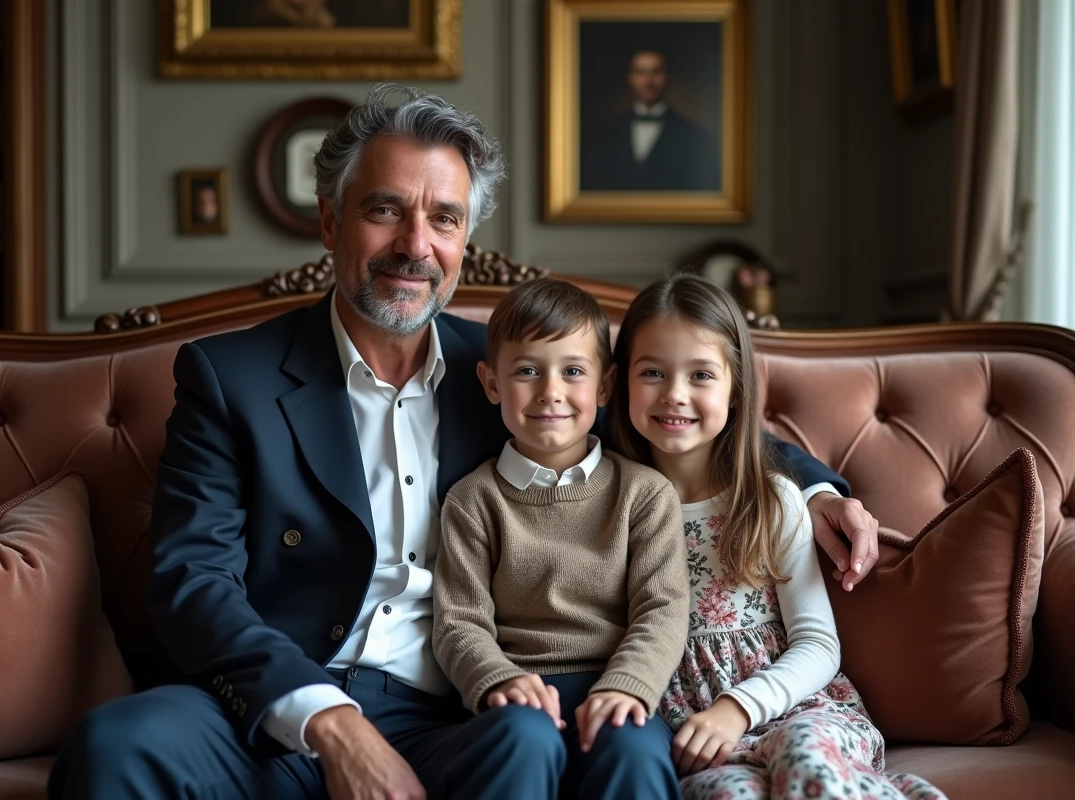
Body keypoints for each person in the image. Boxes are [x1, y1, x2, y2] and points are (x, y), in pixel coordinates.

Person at [47, 83, 880, 800]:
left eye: (443, 218)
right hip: (279, 700)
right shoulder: (235, 375)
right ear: (330, 221)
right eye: (385, 211)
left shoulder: (513, 374)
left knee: (530, 740)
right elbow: (191, 577)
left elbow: (673, 417)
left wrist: (816, 489)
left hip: (459, 705)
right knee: (114, 746)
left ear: (464, 243)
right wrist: (326, 720)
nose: (416, 245)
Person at [605, 274, 946, 800]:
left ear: (736, 386)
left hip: (797, 710)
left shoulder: (774, 500)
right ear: (617, 381)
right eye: (652, 372)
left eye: (701, 374)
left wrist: (738, 707)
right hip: (699, 737)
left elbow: (818, 643)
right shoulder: (610, 507)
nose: (674, 394)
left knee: (808, 760)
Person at [433, 278, 688, 798]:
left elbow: (663, 610)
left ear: (604, 387)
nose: (550, 391)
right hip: (519, 691)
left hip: (615, 682)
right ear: (491, 383)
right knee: (522, 739)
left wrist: (627, 686)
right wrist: (497, 680)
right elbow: (459, 622)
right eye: (527, 371)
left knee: (632, 750)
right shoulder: (473, 500)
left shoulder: (643, 494)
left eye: (573, 371)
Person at [582, 49, 720, 192]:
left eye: (656, 72)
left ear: (668, 77)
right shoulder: (605, 135)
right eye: (641, 72)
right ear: (630, 77)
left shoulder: (695, 137)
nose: (648, 81)